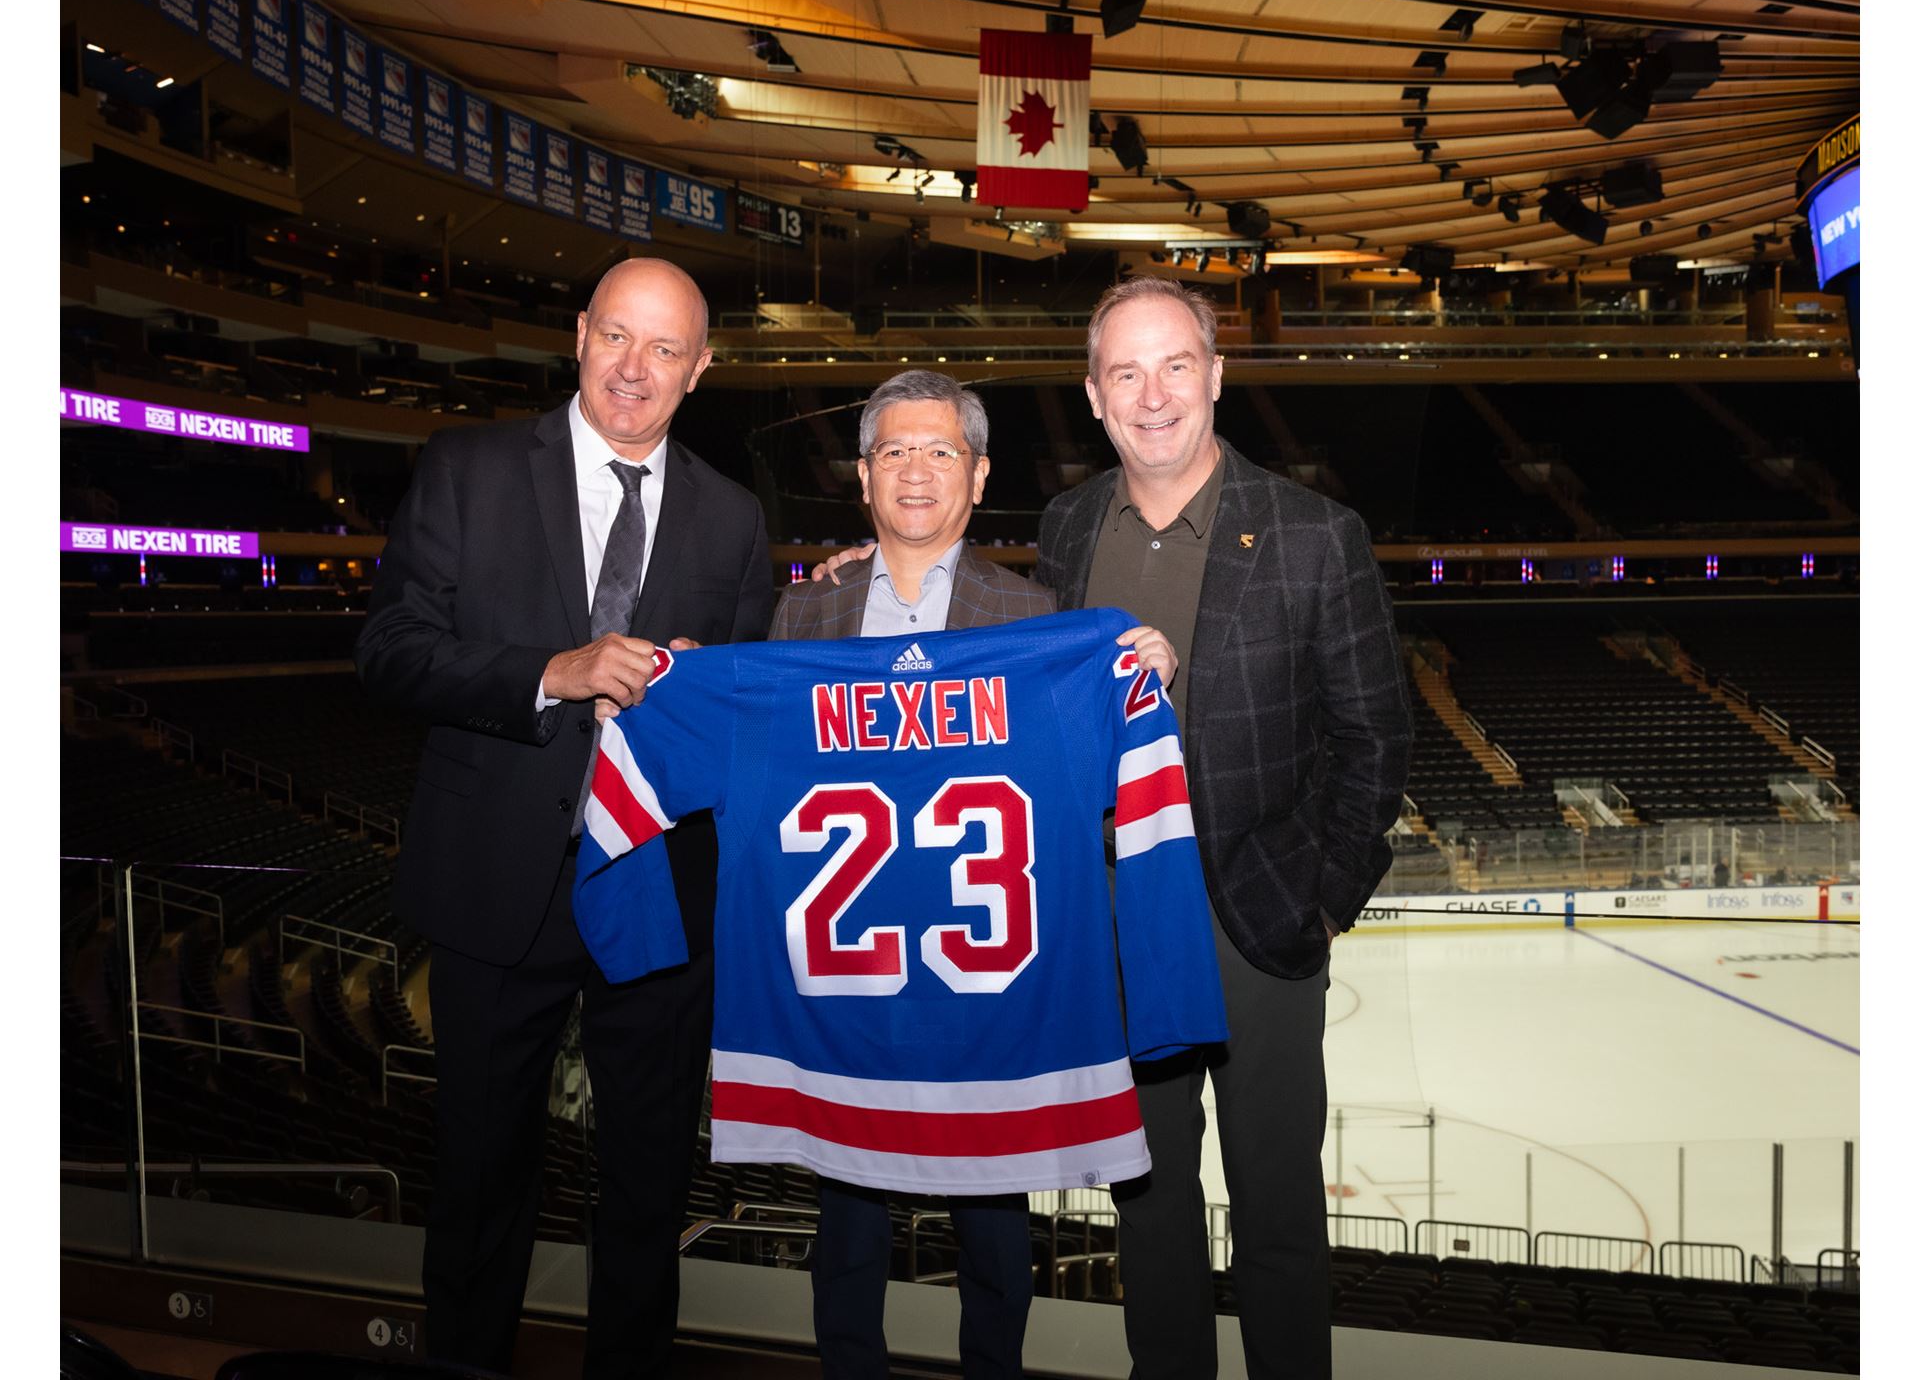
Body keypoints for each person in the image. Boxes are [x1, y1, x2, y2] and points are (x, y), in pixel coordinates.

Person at [356, 257, 773, 1376]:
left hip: (658, 895)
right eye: (617, 338)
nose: (635, 369)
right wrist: (553, 671)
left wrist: (705, 687)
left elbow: (743, 716)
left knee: (643, 1194)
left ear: (700, 372)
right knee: (483, 1183)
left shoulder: (735, 522)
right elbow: (389, 652)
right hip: (495, 882)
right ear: (579, 335)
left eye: (665, 349)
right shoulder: (469, 467)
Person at [1033, 276, 1410, 1380]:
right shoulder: (1065, 529)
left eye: (1176, 366)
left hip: (1258, 923)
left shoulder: (1312, 535)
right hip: (1115, 928)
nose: (1154, 397)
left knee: (1279, 1214)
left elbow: (1375, 740)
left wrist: (1318, 897)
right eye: (1126, 373)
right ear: (1095, 397)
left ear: (1216, 376)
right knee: (1147, 1209)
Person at [775, 369, 1176, 1380]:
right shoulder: (803, 620)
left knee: (995, 1233)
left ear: (981, 472)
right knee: (849, 1222)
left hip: (984, 980)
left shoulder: (1035, 619)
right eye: (894, 453)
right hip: (854, 978)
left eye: (941, 451)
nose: (916, 473)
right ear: (863, 476)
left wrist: (1140, 674)